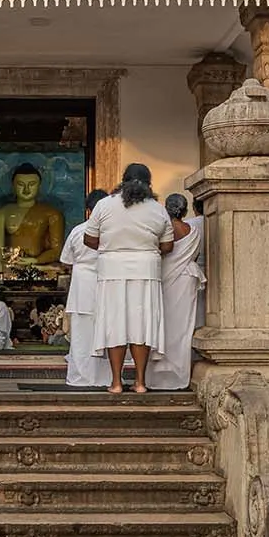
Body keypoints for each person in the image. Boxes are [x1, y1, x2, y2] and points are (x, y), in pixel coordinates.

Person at [83, 163, 174, 394]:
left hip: (112, 271)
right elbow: (167, 245)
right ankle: (140, 383)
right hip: (146, 272)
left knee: (116, 325)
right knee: (141, 326)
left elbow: (89, 239)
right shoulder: (157, 208)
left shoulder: (104, 205)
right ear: (149, 184)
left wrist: (112, 245)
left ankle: (116, 383)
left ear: (122, 181)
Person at [146, 194, 205, 391]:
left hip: (164, 278)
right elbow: (193, 256)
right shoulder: (193, 230)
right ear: (185, 210)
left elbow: (159, 251)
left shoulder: (162, 228)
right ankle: (178, 376)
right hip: (185, 280)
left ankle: (157, 377)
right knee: (182, 329)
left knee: (160, 325)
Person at [59, 189, 112, 388]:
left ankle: (81, 376)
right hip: (105, 282)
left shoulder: (78, 231)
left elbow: (66, 261)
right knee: (105, 333)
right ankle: (104, 377)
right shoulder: (111, 231)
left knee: (81, 335)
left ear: (88, 211)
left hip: (82, 284)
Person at [0, 162, 65, 263]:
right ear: (13, 186)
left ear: (39, 186)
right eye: (21, 184)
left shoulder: (52, 214)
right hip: (10, 265)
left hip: (40, 265)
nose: (26, 189)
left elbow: (57, 251)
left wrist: (35, 261)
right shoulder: (0, 214)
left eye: (32, 184)